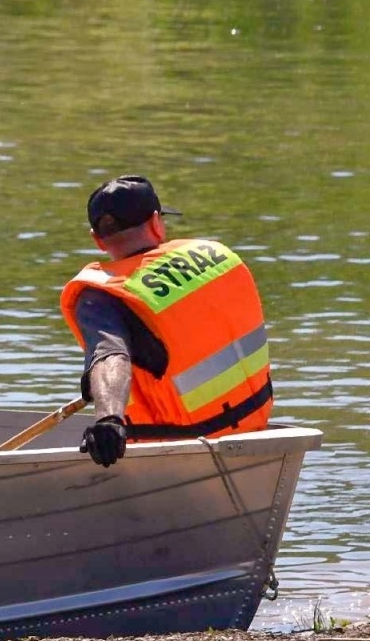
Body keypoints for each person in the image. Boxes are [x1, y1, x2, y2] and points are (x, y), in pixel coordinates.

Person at [60, 176, 272, 468]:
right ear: (156, 223)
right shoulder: (217, 257)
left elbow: (110, 355)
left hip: (177, 448)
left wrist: (109, 419)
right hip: (254, 431)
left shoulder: (102, 296)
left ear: (97, 240)